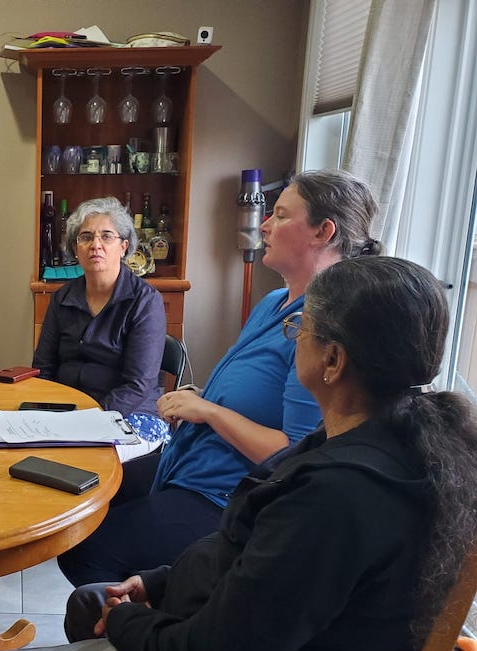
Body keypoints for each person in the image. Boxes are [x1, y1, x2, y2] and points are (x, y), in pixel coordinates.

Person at [0, 256, 477, 651]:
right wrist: (159, 582)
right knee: (90, 600)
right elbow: (251, 562)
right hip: (259, 650)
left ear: (334, 361)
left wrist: (131, 623)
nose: (291, 336)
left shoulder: (336, 499)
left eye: (299, 328)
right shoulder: (394, 436)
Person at [58, 169, 382, 588]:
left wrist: (207, 411)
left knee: (86, 549)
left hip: (225, 495)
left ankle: (149, 633)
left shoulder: (320, 330)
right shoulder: (272, 304)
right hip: (187, 461)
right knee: (83, 496)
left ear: (323, 231)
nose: (264, 224)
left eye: (280, 216)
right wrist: (198, 400)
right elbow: (243, 394)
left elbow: (295, 455)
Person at [32, 197, 166, 416]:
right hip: (66, 410)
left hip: (128, 413)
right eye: (86, 237)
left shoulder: (145, 302)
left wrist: (92, 418)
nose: (96, 245)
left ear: (123, 247)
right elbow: (43, 368)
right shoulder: (61, 298)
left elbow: (137, 385)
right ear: (76, 249)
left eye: (106, 236)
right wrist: (47, 409)